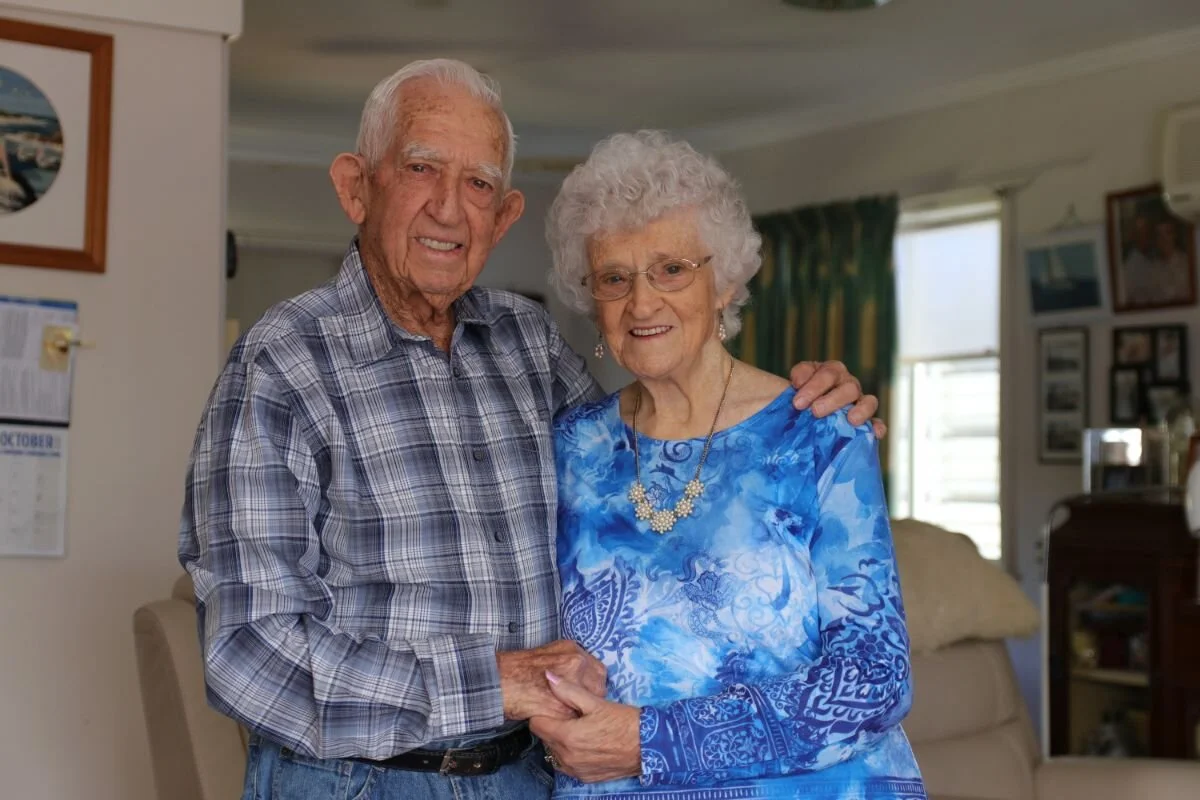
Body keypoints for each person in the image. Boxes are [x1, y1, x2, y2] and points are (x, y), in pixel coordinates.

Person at [179, 60, 880, 800]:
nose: (449, 209)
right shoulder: (285, 362)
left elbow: (652, 470)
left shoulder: (526, 341)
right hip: (360, 782)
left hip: (534, 776)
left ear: (505, 215)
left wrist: (793, 407)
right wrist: (493, 684)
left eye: (478, 183)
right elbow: (248, 656)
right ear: (357, 186)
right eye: (421, 167)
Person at [533, 130, 924, 800]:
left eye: (671, 269)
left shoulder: (818, 434)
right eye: (615, 278)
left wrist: (651, 741)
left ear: (726, 283)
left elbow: (874, 679)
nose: (643, 302)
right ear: (591, 299)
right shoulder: (570, 448)